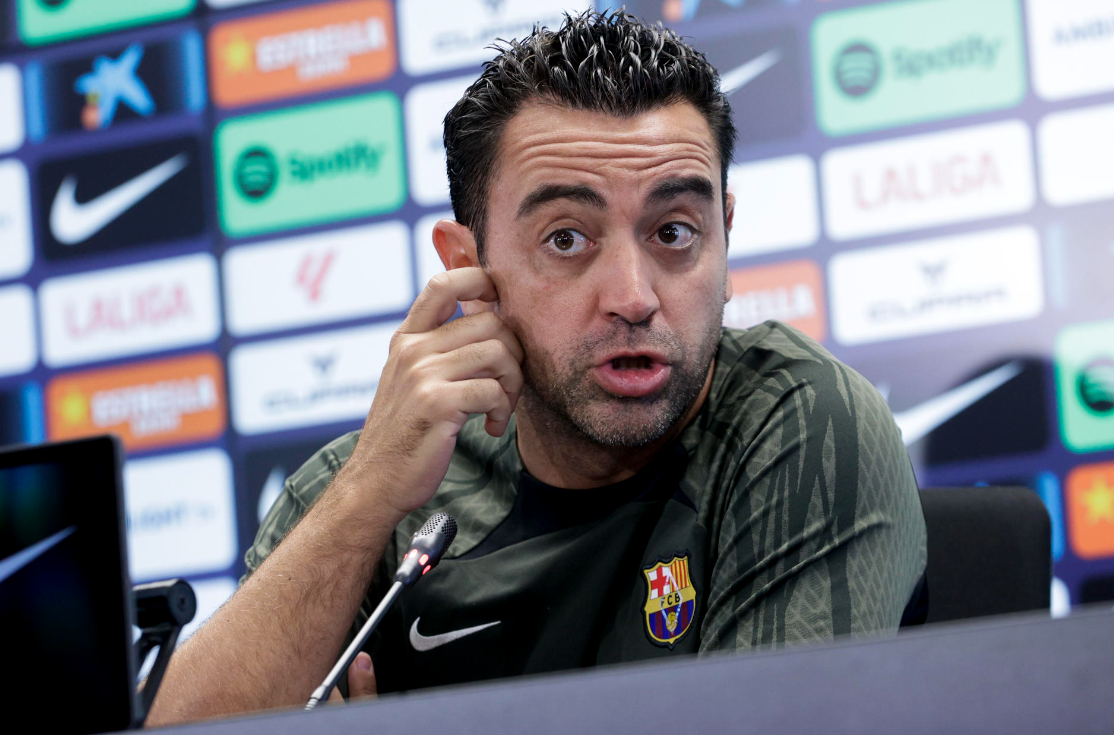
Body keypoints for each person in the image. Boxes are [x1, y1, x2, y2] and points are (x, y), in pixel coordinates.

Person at [147, 10, 926, 725]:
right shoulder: (363, 487)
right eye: (566, 239)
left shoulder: (802, 425)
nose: (633, 296)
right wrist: (363, 496)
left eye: (675, 232)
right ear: (469, 267)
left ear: (724, 235)